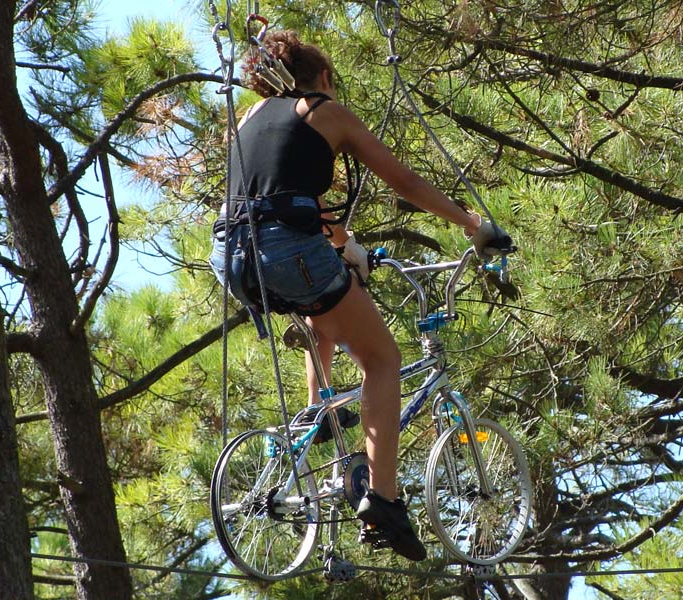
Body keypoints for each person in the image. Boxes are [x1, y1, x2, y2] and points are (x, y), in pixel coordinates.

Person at [210, 30, 509, 561]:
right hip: (284, 248)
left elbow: (291, 201)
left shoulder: (251, 118)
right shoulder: (325, 110)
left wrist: (347, 247)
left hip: (231, 254)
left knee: (324, 303)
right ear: (322, 78)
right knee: (382, 358)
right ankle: (384, 499)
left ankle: (315, 412)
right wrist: (471, 223)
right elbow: (405, 183)